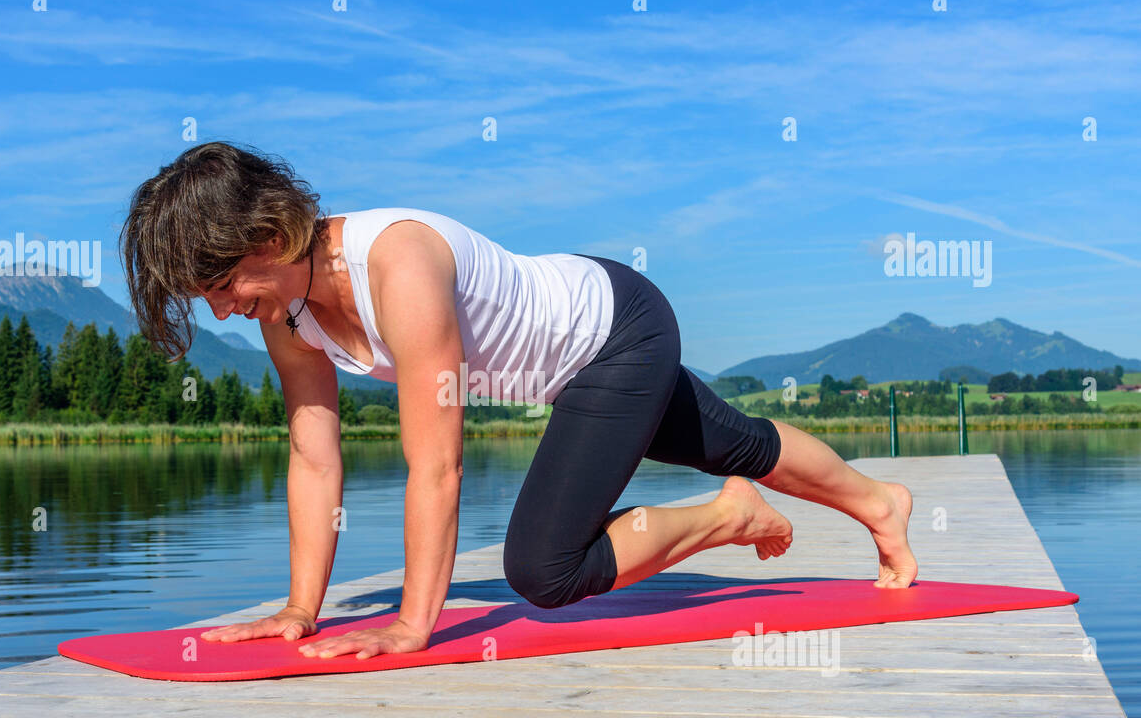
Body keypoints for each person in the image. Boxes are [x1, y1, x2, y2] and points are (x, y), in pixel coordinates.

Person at [121, 142, 917, 661]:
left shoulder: (397, 263)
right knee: (733, 440)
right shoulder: (285, 312)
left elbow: (436, 464)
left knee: (542, 567)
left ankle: (728, 517)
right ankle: (883, 502)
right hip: (575, 353)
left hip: (615, 334)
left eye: (225, 286)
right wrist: (300, 607)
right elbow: (312, 455)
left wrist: (414, 621)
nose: (224, 308)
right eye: (208, 297)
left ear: (268, 233)